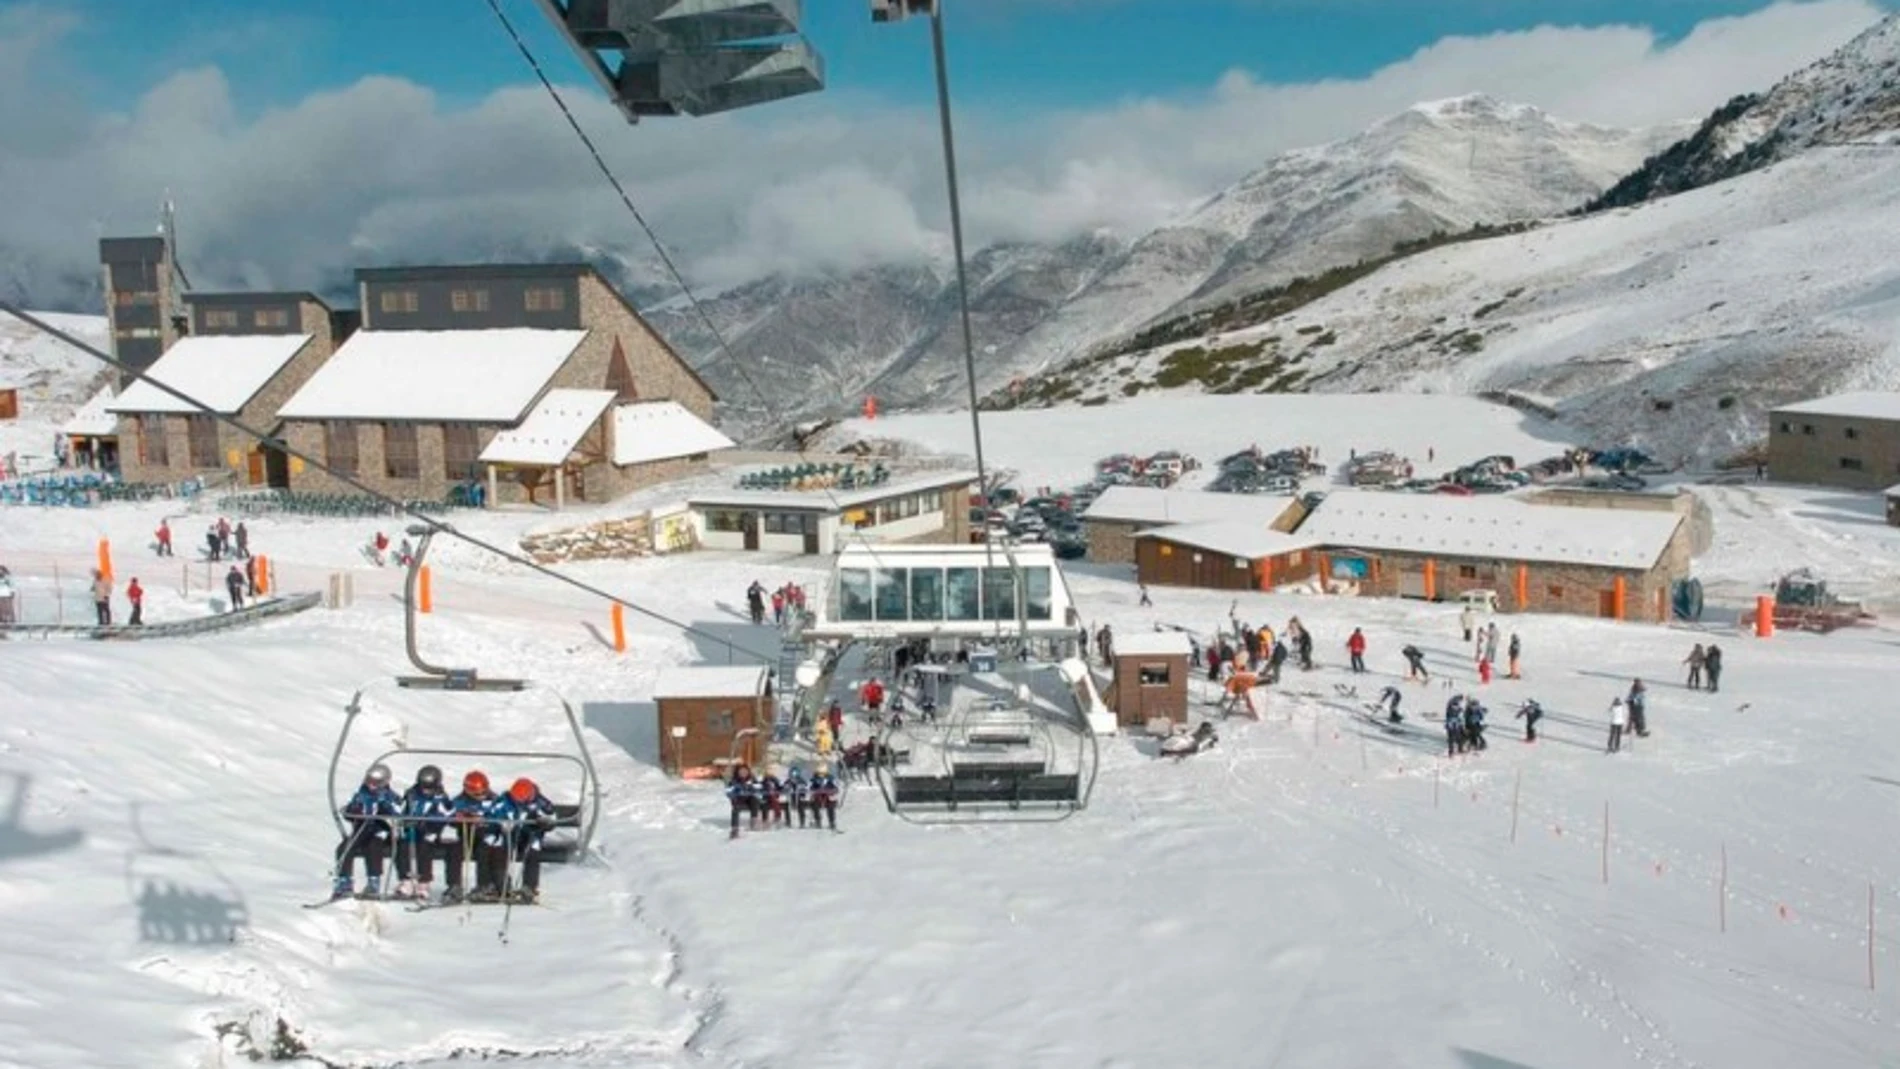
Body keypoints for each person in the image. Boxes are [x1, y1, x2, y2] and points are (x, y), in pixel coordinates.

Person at [333, 764, 400, 899]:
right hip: (361, 828)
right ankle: (345, 879)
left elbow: (398, 811)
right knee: (345, 847)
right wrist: (353, 811)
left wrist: (384, 807)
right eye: (370, 781)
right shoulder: (360, 793)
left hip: (380, 830)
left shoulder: (389, 795)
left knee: (373, 847)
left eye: (376, 783)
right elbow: (349, 810)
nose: (372, 785)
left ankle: (373, 881)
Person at [446, 770, 513, 902]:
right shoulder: (460, 801)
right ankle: (454, 886)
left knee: (487, 849)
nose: (481, 796)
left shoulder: (495, 800)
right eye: (477, 794)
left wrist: (484, 819)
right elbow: (448, 816)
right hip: (467, 836)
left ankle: (488, 885)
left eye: (483, 792)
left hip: (489, 837)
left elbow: (503, 816)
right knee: (453, 850)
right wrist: (458, 818)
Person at [394, 764, 453, 902]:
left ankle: (423, 883)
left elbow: (447, 814)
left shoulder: (440, 797)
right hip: (412, 829)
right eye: (423, 787)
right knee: (402, 845)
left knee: (425, 846)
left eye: (429, 788)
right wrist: (405, 820)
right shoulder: (411, 794)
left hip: (431, 830)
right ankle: (406, 880)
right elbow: (402, 809)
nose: (426, 791)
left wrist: (431, 823)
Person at [505, 778, 558, 903]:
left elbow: (552, 817)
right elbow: (496, 811)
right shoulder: (507, 799)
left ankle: (529, 887)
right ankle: (501, 884)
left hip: (532, 835)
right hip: (512, 834)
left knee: (532, 852)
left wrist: (543, 822)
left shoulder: (541, 802)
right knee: (499, 848)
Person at [726, 763, 762, 839]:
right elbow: (729, 791)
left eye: (745, 771)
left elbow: (758, 787)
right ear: (738, 772)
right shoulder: (734, 781)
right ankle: (735, 828)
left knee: (755, 799)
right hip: (739, 800)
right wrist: (735, 793)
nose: (743, 773)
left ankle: (754, 821)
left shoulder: (751, 779)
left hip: (749, 801)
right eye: (741, 772)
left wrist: (752, 788)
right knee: (735, 808)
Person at [808, 762, 841, 831]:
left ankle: (831, 822)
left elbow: (835, 788)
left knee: (830, 806)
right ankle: (818, 820)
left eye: (823, 773)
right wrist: (814, 790)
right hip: (818, 797)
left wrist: (832, 790)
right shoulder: (814, 780)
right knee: (815, 804)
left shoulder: (829, 779)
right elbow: (810, 788)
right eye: (820, 773)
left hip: (827, 797)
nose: (821, 775)